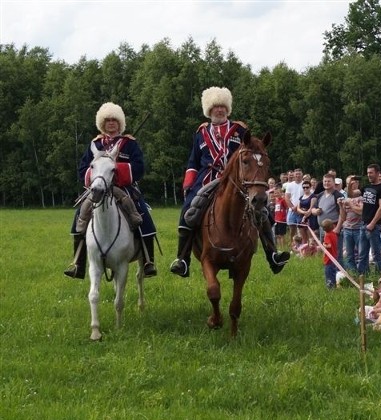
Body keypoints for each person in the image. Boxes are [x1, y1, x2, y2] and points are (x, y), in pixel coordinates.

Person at [169, 86, 289, 277]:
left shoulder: (239, 129)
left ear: (228, 109)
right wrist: (188, 184)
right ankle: (183, 259)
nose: (220, 110)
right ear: (209, 110)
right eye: (216, 107)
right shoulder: (201, 132)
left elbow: (252, 150)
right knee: (189, 209)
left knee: (261, 210)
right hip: (207, 178)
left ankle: (272, 255)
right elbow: (193, 161)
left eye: (223, 107)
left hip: (236, 180)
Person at [64, 102, 157, 279]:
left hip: (123, 187)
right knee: (80, 214)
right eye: (107, 120)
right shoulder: (95, 144)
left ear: (120, 123)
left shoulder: (130, 144)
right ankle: (78, 263)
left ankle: (147, 261)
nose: (111, 123)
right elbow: (83, 168)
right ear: (102, 123)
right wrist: (99, 175)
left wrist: (115, 170)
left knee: (143, 214)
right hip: (99, 188)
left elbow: (139, 167)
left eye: (114, 120)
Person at [357, 164, 381, 275]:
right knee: (362, 253)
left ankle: (380, 276)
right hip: (363, 223)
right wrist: (350, 184)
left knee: (376, 254)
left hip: (374, 226)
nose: (369, 175)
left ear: (377, 173)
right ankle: (362, 275)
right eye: (368, 172)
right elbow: (353, 194)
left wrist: (373, 223)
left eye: (371, 172)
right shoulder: (366, 187)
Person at [296, 180, 317, 244]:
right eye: (304, 187)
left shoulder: (313, 196)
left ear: (310, 187)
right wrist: (303, 212)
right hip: (301, 217)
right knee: (303, 237)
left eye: (307, 187)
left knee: (310, 236)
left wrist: (306, 214)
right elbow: (298, 208)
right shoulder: (301, 197)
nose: (305, 189)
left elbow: (311, 208)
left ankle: (312, 251)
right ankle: (304, 251)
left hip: (310, 218)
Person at [321, 219, 339, 289]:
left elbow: (329, 245)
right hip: (334, 256)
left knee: (329, 273)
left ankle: (330, 288)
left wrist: (323, 244)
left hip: (329, 259)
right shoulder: (333, 234)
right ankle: (334, 286)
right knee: (333, 272)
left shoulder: (327, 236)